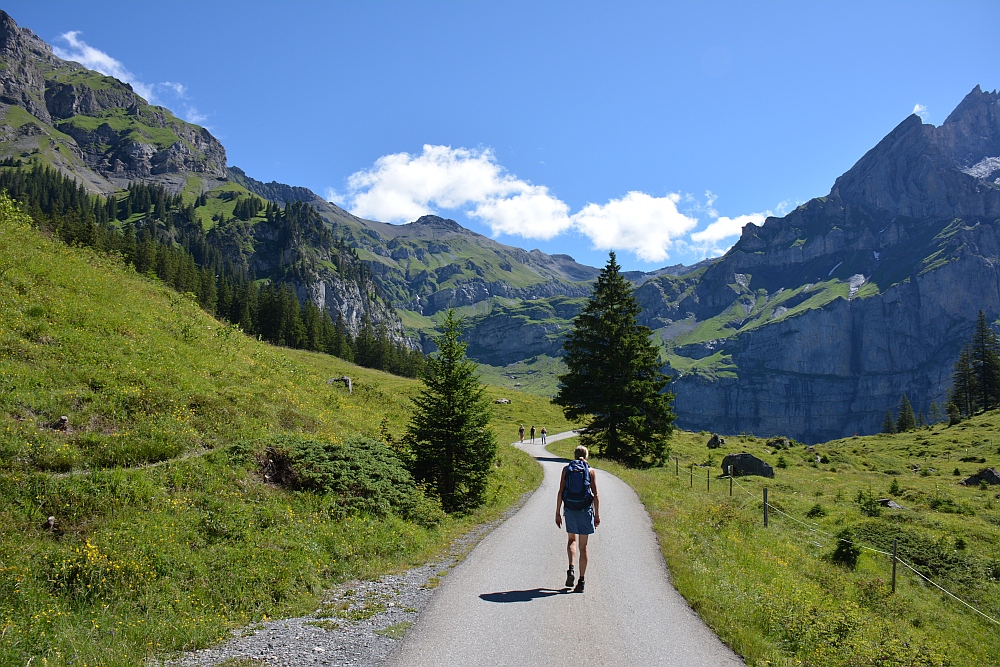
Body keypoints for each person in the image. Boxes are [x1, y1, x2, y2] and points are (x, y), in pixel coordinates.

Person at [555, 445, 600, 593]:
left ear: (574, 455)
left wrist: (557, 512)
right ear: (586, 456)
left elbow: (561, 491)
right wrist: (597, 515)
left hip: (570, 509)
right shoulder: (590, 471)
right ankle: (581, 581)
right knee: (583, 546)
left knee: (571, 540)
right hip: (585, 510)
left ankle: (571, 569)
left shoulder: (567, 470)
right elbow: (596, 495)